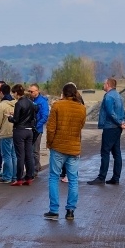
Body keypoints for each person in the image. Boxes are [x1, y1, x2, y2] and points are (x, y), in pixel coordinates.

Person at [44, 83, 87, 221]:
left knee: (54, 177)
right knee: (73, 180)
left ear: (63, 93)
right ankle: (70, 211)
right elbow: (80, 127)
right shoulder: (82, 108)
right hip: (74, 148)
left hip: (58, 147)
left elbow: (51, 128)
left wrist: (50, 143)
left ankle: (54, 210)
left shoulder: (57, 105)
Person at [88, 78, 125, 185]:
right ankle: (116, 178)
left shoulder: (109, 96)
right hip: (117, 128)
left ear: (108, 84)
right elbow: (123, 111)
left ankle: (101, 178)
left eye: (104, 83)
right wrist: (123, 122)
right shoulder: (119, 96)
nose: (103, 84)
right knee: (116, 153)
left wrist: (119, 122)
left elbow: (110, 112)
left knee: (105, 152)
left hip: (110, 127)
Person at [9, 84, 36, 186]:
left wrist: (10, 118)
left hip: (19, 130)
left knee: (20, 155)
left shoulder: (18, 104)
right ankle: (29, 176)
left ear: (16, 93)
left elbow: (16, 119)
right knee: (29, 154)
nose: (13, 95)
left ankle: (19, 178)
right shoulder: (30, 102)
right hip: (29, 130)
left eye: (13, 93)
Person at [0, 83, 17, 184]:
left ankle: (7, 176)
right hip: (15, 132)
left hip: (5, 133)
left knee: (6, 156)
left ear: (1, 92)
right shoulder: (16, 103)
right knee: (14, 155)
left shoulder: (1, 105)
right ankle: (15, 176)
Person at [28, 83, 49, 179]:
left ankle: (35, 170)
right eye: (29, 91)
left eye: (32, 91)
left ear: (37, 91)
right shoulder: (31, 100)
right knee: (30, 149)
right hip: (30, 128)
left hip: (37, 129)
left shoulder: (42, 102)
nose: (30, 93)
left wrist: (36, 126)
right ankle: (36, 166)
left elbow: (45, 116)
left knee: (35, 150)